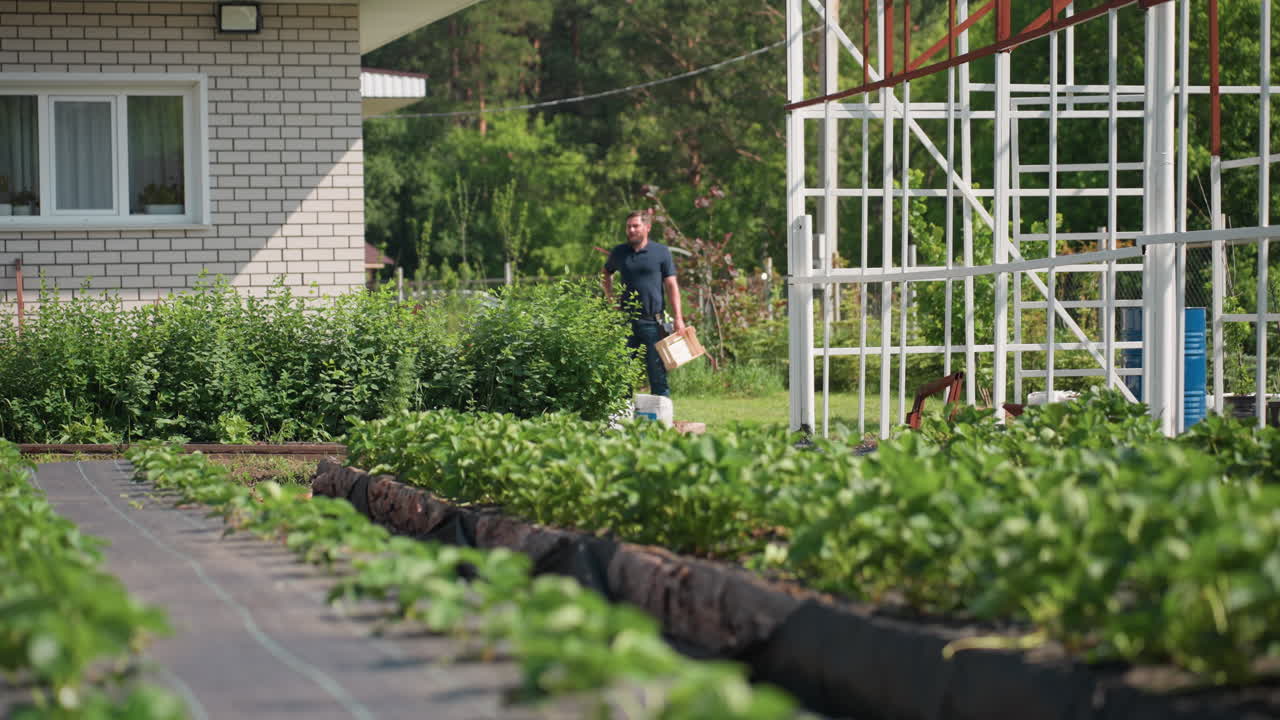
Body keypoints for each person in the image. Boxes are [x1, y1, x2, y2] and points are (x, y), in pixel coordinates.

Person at [602, 210, 686, 397]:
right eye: (628, 226)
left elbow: (672, 285)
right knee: (622, 372)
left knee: (657, 373)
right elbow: (606, 273)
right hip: (626, 322)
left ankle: (661, 421)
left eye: (635, 226)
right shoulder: (619, 252)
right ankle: (622, 419)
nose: (631, 230)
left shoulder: (661, 252)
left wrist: (678, 318)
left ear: (647, 228)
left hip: (653, 323)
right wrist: (611, 299)